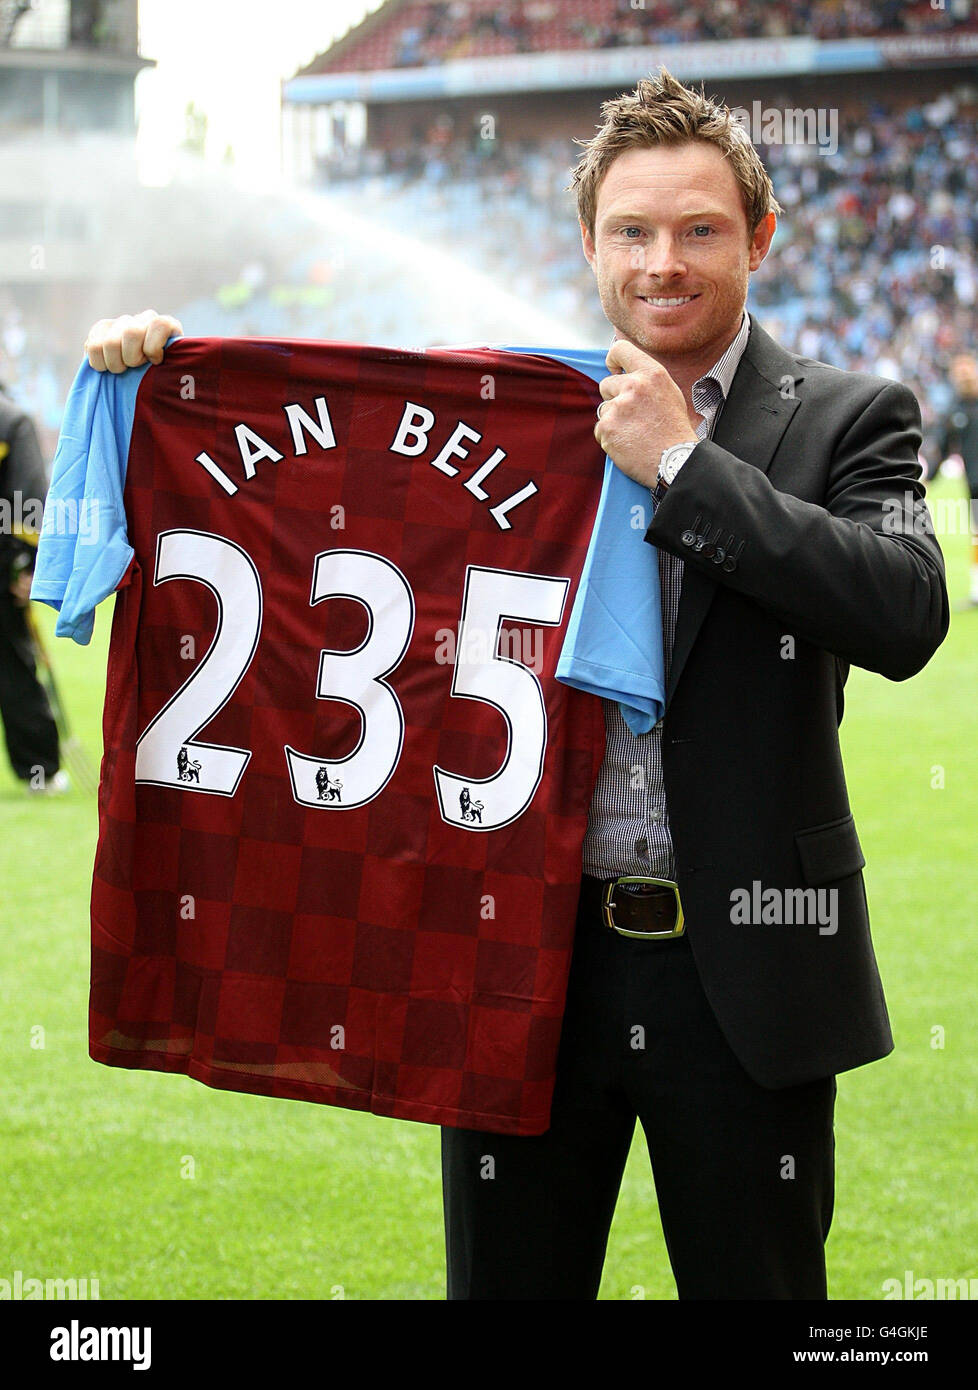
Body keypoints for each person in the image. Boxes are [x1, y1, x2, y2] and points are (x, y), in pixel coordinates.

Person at [82, 68, 948, 1300]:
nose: (664, 262)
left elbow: (905, 609)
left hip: (748, 966)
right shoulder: (504, 414)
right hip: (517, 956)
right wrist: (167, 376)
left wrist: (687, 464)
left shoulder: (854, 415)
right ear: (588, 246)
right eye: (633, 232)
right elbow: (313, 461)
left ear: (761, 239)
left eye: (700, 229)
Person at [0, 380, 65, 792]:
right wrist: (27, 567)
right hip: (2, 571)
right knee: (15, 667)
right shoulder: (13, 419)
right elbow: (28, 507)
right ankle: (39, 771)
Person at [937, 353, 978, 607]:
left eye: (966, 372)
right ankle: (976, 590)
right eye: (959, 374)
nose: (963, 378)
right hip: (974, 485)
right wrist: (924, 480)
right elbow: (942, 449)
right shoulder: (955, 412)